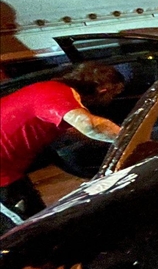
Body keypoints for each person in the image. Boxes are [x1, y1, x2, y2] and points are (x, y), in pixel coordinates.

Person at [1, 63, 124, 233]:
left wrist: (110, 144)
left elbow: (75, 131)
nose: (111, 100)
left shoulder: (50, 90)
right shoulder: (57, 93)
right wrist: (132, 138)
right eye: (114, 94)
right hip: (2, 174)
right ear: (103, 89)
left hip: (9, 169)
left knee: (36, 215)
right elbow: (90, 125)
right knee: (25, 227)